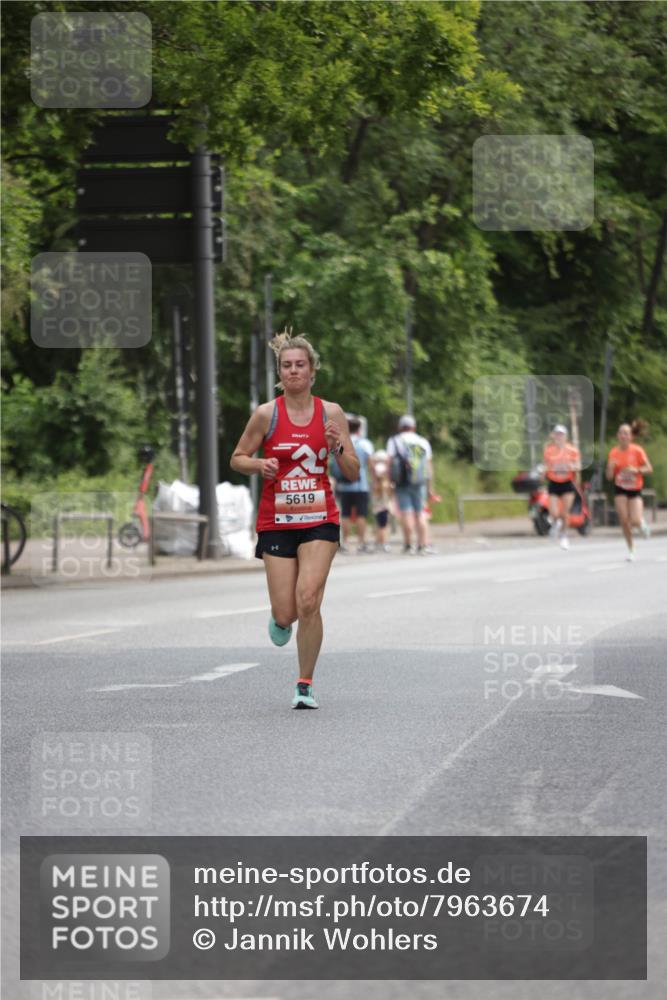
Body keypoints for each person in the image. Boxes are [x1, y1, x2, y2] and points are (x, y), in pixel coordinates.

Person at [230, 330, 359, 708]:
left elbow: (352, 470)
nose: (293, 371)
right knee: (286, 611)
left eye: (300, 365)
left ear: (313, 370)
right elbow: (236, 457)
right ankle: (281, 620)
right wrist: (258, 464)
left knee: (308, 600)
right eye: (286, 366)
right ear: (279, 372)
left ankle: (304, 684)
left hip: (320, 518)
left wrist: (336, 446)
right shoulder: (266, 414)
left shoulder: (331, 413)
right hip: (277, 521)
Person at [386, 415, 434, 554]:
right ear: (414, 427)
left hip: (401, 482)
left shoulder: (394, 441)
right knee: (420, 513)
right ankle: (423, 544)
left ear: (400, 427)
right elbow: (429, 466)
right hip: (420, 482)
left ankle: (408, 545)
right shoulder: (422, 441)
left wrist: (389, 482)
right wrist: (430, 487)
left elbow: (390, 463)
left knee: (406, 513)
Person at [606, 422, 653, 561]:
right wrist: (610, 467)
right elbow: (609, 477)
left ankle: (641, 525)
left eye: (626, 433)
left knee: (635, 520)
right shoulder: (613, 452)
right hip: (620, 488)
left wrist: (636, 470)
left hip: (635, 488)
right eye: (621, 433)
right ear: (617, 436)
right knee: (624, 520)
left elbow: (649, 469)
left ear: (631, 436)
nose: (623, 435)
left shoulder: (637, 450)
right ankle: (631, 549)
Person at [331, 417, 374, 552]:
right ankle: (362, 543)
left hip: (344, 485)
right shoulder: (365, 444)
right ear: (360, 428)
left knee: (345, 514)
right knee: (361, 514)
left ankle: (345, 543)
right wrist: (373, 479)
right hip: (361, 485)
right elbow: (370, 464)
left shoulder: (343, 443)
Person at [543, 424, 581, 550]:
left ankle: (564, 536)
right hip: (554, 482)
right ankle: (556, 524)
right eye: (557, 434)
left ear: (565, 436)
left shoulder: (572, 450)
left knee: (565, 513)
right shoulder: (549, 450)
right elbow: (546, 466)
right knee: (553, 513)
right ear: (554, 436)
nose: (559, 436)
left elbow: (578, 466)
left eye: (561, 434)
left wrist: (572, 467)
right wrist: (543, 473)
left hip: (567, 483)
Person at [369, 448, 393, 552]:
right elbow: (388, 490)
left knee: (379, 523)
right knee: (384, 524)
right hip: (384, 503)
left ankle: (378, 542)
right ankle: (384, 542)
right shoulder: (384, 477)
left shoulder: (374, 476)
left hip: (376, 504)